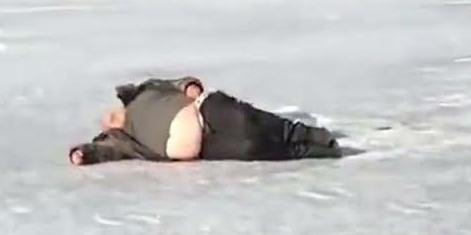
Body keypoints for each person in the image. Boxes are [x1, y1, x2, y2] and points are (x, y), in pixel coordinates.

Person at [68, 76, 341, 166]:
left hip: (205, 110)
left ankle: (316, 136)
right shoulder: (124, 140)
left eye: (111, 113)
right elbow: (102, 150)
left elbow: (179, 82)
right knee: (252, 148)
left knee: (255, 124)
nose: (108, 119)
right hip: (203, 146)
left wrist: (189, 88)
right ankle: (319, 152)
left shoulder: (146, 90)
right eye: (107, 123)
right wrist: (82, 153)